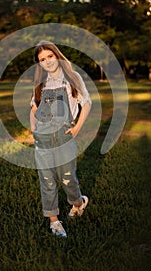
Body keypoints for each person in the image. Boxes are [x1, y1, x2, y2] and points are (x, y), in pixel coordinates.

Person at [30, 41, 91, 237]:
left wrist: (76, 129)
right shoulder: (42, 84)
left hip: (64, 136)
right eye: (42, 60)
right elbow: (34, 107)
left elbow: (86, 103)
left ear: (57, 55)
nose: (47, 62)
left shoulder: (73, 78)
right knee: (46, 181)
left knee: (67, 180)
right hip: (43, 139)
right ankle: (54, 222)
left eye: (49, 56)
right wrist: (34, 128)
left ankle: (79, 202)